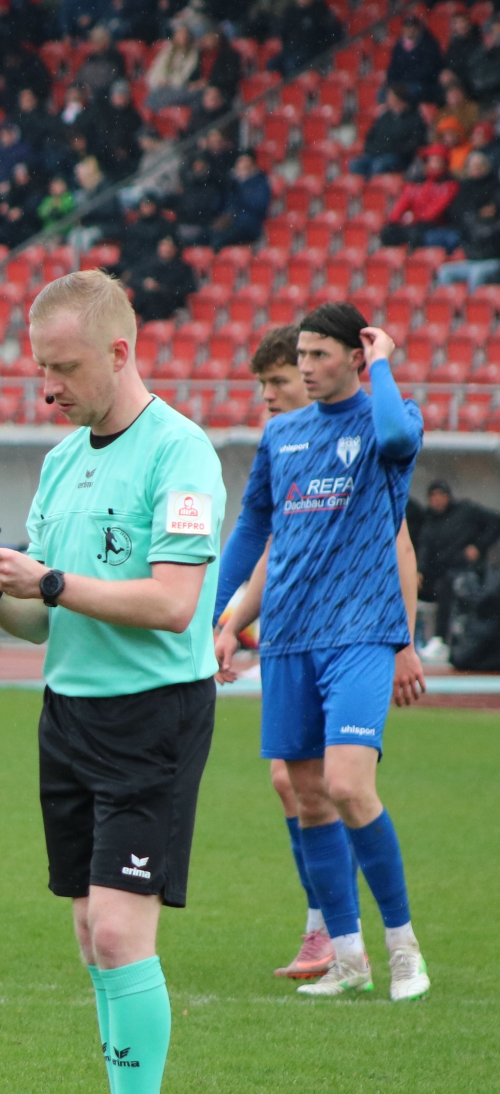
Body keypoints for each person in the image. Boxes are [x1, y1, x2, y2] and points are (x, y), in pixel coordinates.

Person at [0, 269, 225, 1094]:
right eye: (40, 369)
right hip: (68, 714)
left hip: (152, 715)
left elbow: (174, 603)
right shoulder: (64, 459)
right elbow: (42, 624)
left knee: (117, 931)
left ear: (119, 351)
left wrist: (52, 581)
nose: (48, 389)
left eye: (63, 369)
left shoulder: (181, 453)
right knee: (89, 934)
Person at [211, 302, 431, 1004]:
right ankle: (347, 957)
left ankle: (403, 949)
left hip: (360, 633)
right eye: (300, 355)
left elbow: (395, 434)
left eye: (318, 355)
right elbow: (258, 535)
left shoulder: (388, 421)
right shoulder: (282, 435)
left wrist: (385, 361)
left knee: (348, 785)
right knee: (305, 794)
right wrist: (221, 617)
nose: (304, 367)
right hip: (287, 639)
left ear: (355, 357)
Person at [417, 482, 500, 657]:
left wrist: (479, 546)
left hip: (468, 572)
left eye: (440, 495)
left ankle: (441, 639)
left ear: (448, 496)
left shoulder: (466, 511)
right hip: (437, 574)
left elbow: (495, 522)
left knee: (448, 586)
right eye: (433, 496)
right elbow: (423, 550)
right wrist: (419, 572)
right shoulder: (429, 521)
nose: (437, 500)